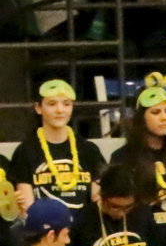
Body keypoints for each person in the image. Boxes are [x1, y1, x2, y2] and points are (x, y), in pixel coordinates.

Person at [10, 80, 105, 216]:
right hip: (45, 230)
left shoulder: (89, 150)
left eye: (66, 104)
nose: (60, 110)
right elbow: (27, 207)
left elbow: (98, 198)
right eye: (52, 104)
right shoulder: (25, 151)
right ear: (38, 108)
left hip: (85, 231)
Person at [109, 87, 166, 228]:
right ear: (141, 117)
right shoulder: (123, 157)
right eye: (155, 112)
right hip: (142, 231)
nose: (164, 117)